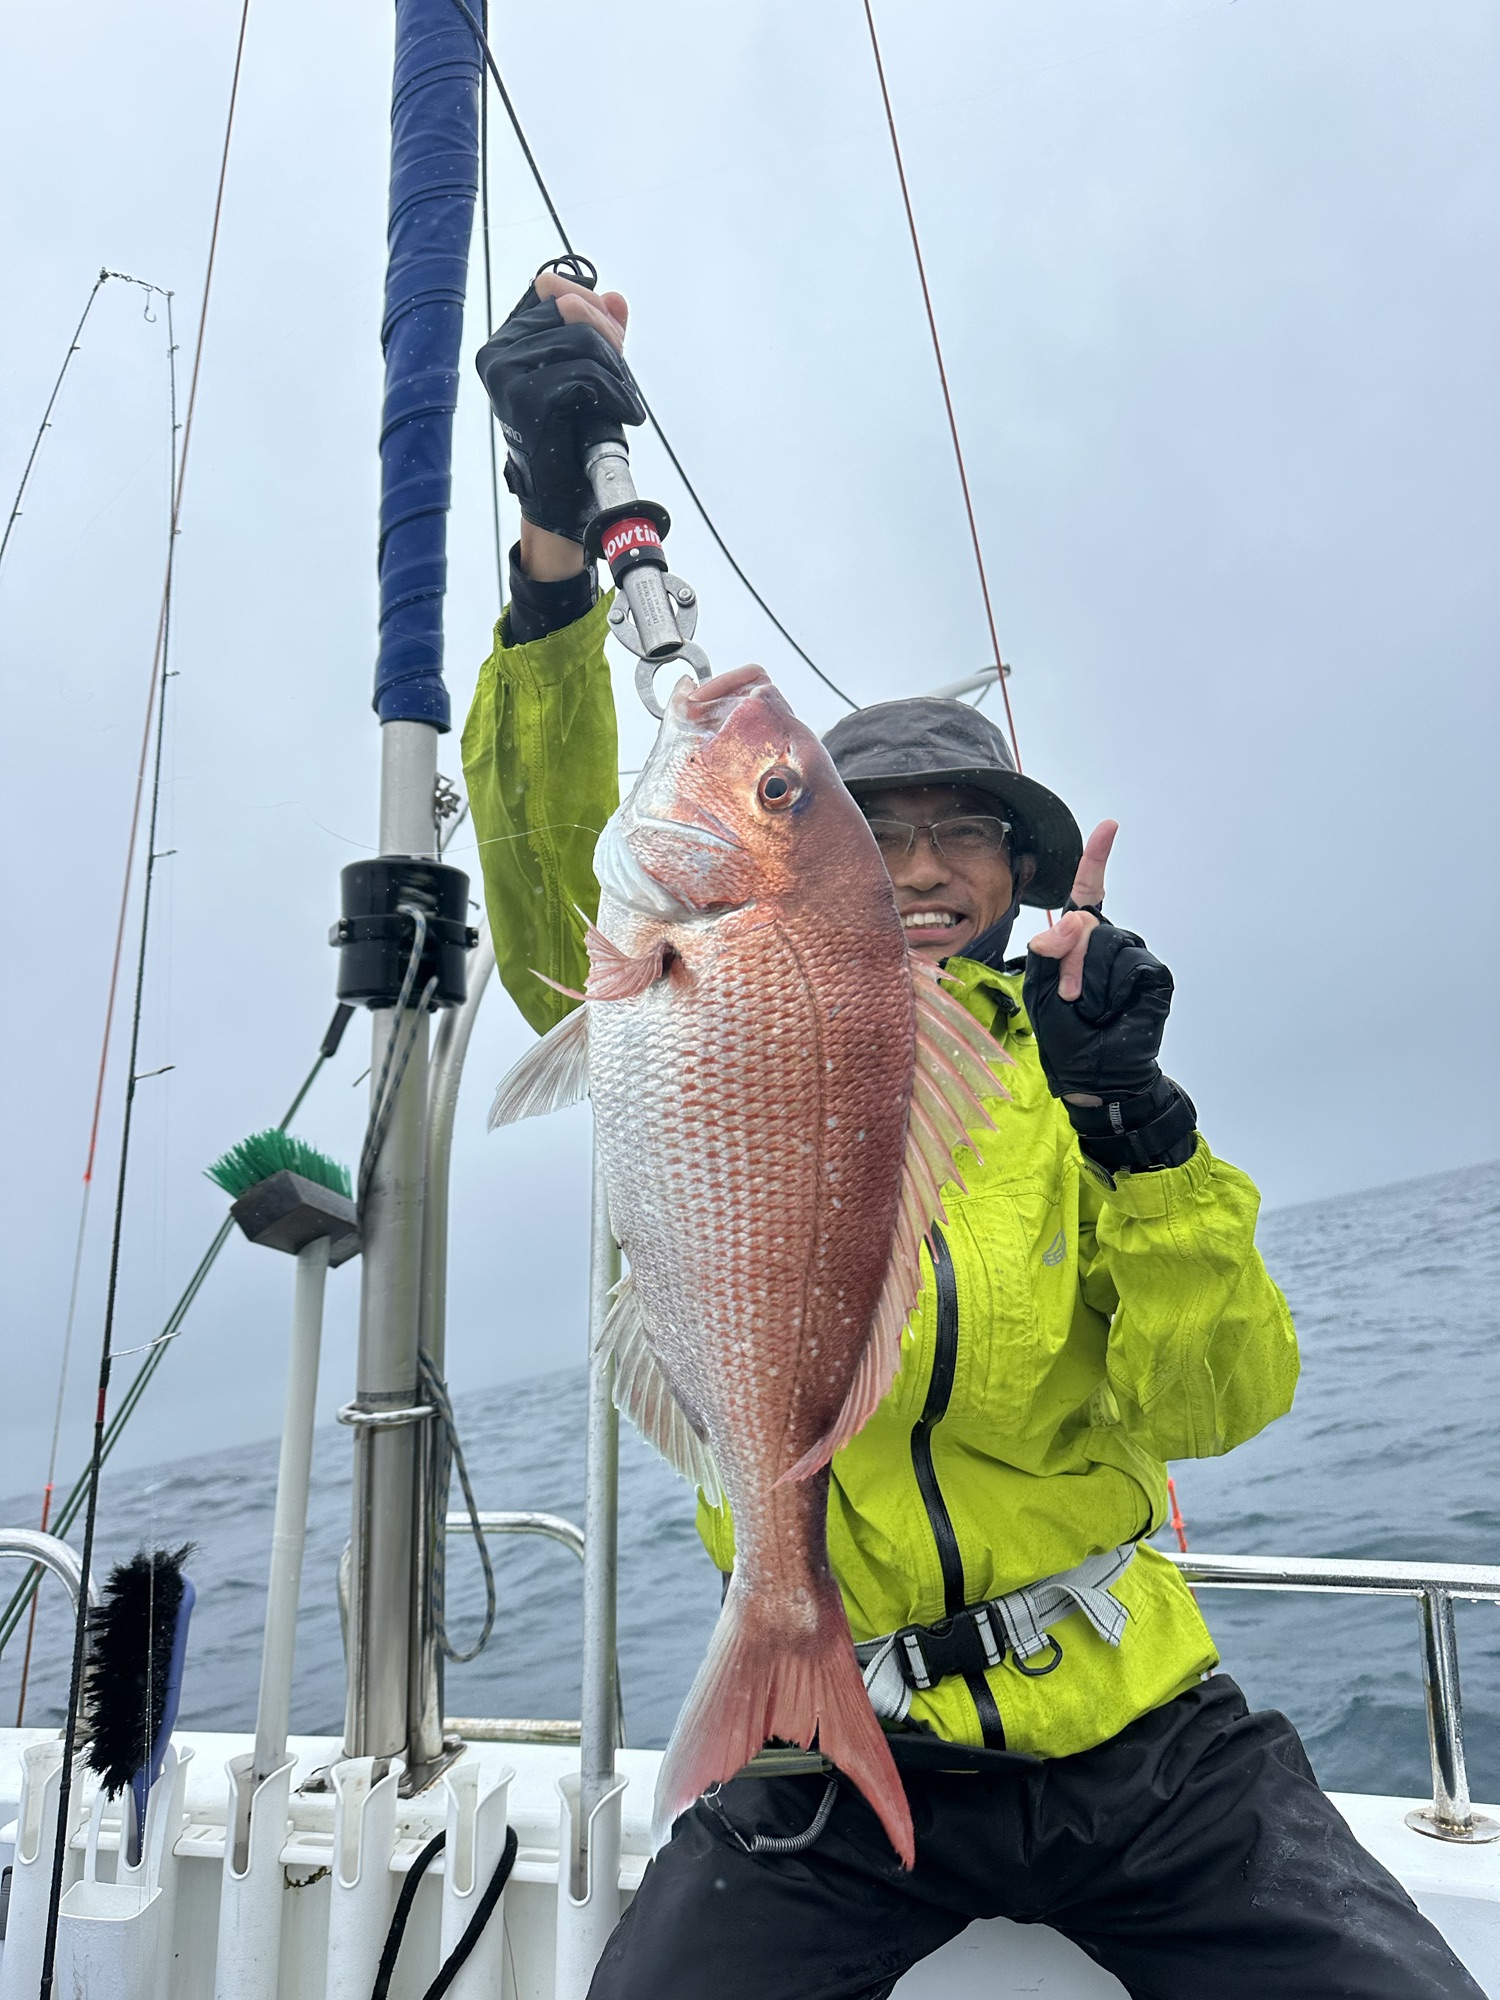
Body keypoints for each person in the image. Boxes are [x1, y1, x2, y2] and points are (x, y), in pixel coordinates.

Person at [461, 268, 1483, 2000]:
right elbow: (556, 842)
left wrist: (1141, 1133)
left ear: (1021, 878)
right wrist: (557, 563)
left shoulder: (1079, 1078)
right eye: (880, 825)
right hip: (835, 1752)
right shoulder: (695, 962)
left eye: (967, 838)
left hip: (1145, 1744)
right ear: (829, 871)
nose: (925, 868)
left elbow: (1217, 1404)